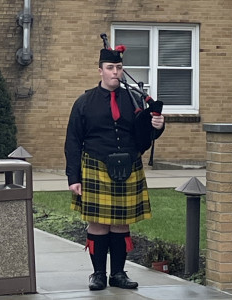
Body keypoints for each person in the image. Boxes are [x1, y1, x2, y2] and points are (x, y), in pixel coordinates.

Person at [64, 44, 165, 291]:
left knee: (121, 223)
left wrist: (158, 125)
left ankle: (118, 274)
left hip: (129, 166)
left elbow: (145, 136)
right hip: (96, 166)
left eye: (118, 68)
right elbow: (73, 142)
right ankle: (98, 274)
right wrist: (73, 177)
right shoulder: (84, 102)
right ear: (100, 70)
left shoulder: (135, 99)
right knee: (98, 223)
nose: (115, 73)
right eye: (110, 68)